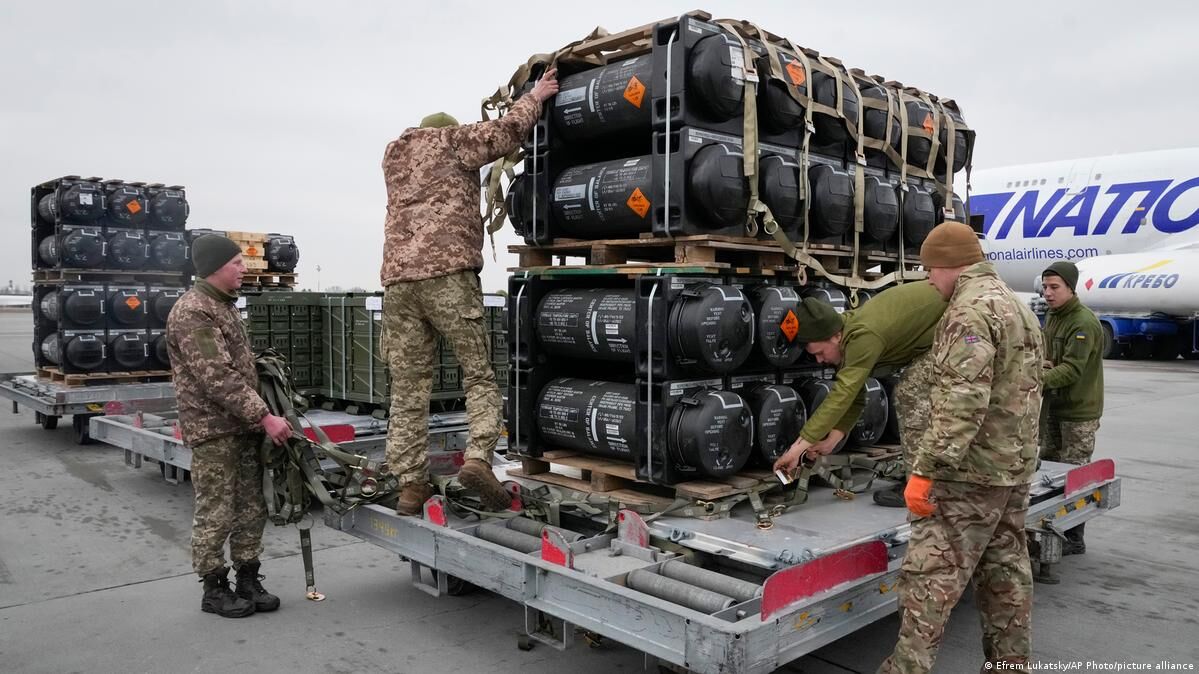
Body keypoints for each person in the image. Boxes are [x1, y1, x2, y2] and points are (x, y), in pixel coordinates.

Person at [379, 69, 559, 515]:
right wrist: (535, 97)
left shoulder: (393, 157)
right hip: (448, 276)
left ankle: (410, 485)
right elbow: (504, 133)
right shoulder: (452, 142)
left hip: (398, 284)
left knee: (408, 389)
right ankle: (478, 458)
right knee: (477, 374)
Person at [877, 221, 1044, 673]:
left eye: (930, 270)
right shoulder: (1018, 306)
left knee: (929, 580)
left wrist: (926, 468)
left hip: (968, 474)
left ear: (949, 265)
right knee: (1005, 572)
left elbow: (962, 398)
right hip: (1013, 468)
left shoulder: (969, 311)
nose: (929, 280)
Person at [167, 234, 294, 618]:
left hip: (241, 426)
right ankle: (214, 586)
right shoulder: (194, 312)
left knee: (251, 507)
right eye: (237, 263)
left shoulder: (223, 307)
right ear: (215, 267)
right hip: (215, 429)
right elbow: (217, 376)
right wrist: (264, 416)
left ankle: (248, 577)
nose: (244, 269)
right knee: (217, 509)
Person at [772, 282, 947, 507]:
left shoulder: (863, 335)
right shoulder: (847, 335)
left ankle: (923, 487)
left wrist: (797, 448)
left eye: (820, 353)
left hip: (958, 323)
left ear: (835, 336)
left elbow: (843, 394)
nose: (819, 360)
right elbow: (854, 394)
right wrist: (830, 442)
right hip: (938, 333)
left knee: (910, 394)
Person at [1038, 261, 1105, 566]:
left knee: (1074, 477)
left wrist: (1034, 378)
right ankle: (1052, 530)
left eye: (1055, 287)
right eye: (1045, 286)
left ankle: (1074, 538)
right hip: (1054, 407)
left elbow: (1072, 370)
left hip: (1078, 413)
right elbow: (1052, 359)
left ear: (1071, 288)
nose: (1048, 293)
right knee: (1049, 476)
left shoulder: (1083, 323)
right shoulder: (1053, 316)